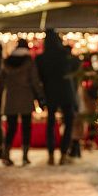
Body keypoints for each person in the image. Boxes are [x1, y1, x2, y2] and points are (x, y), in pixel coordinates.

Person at [0, 39, 43, 166]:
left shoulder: (6, 62)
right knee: (26, 128)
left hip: (10, 98)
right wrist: (40, 97)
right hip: (26, 97)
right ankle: (25, 156)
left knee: (11, 128)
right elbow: (35, 81)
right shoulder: (29, 62)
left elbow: (0, 81)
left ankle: (6, 154)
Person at [36, 29, 75, 165]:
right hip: (66, 92)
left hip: (50, 92)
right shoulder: (65, 55)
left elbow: (39, 78)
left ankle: (51, 154)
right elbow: (75, 68)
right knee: (68, 122)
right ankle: (64, 153)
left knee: (51, 124)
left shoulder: (41, 58)